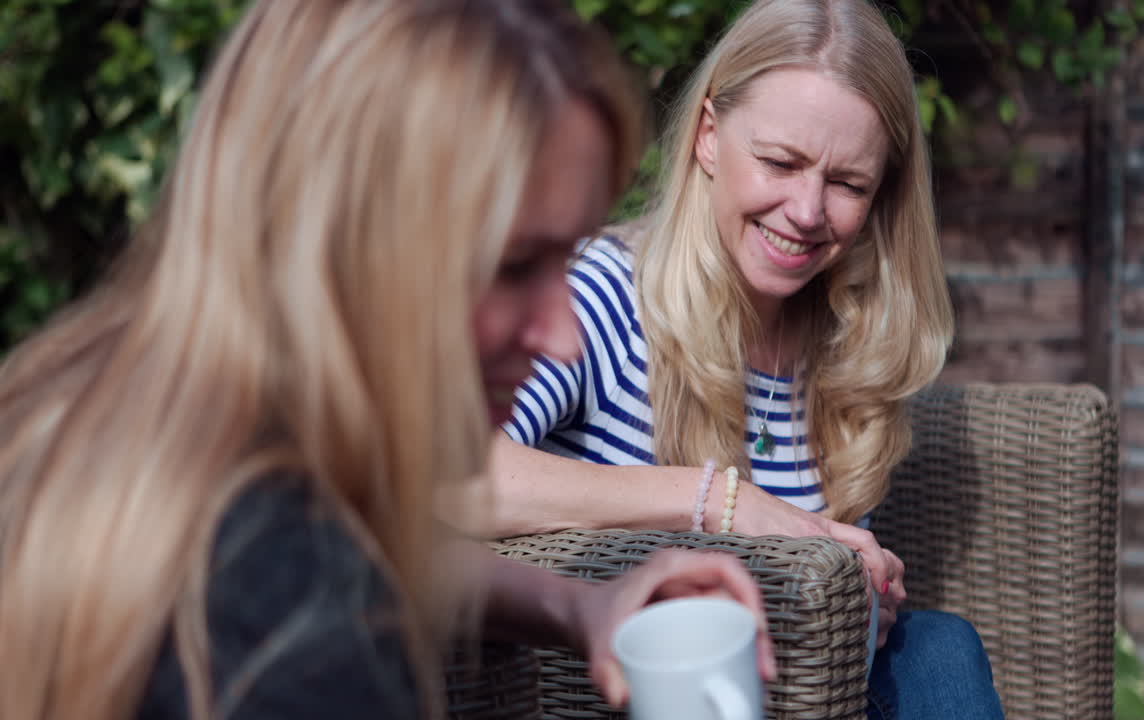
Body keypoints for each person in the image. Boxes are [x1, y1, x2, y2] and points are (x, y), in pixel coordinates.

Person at [0, 2, 776, 719]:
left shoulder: (97, 414)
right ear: (340, 241)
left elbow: (380, 543)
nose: (564, 336)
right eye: (514, 268)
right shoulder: (299, 645)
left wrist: (576, 604)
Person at [490, 0, 1004, 717]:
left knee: (932, 650)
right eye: (780, 162)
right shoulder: (603, 295)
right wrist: (717, 501)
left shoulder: (843, 344)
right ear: (707, 135)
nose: (806, 210)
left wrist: (855, 602)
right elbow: (453, 476)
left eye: (849, 184)